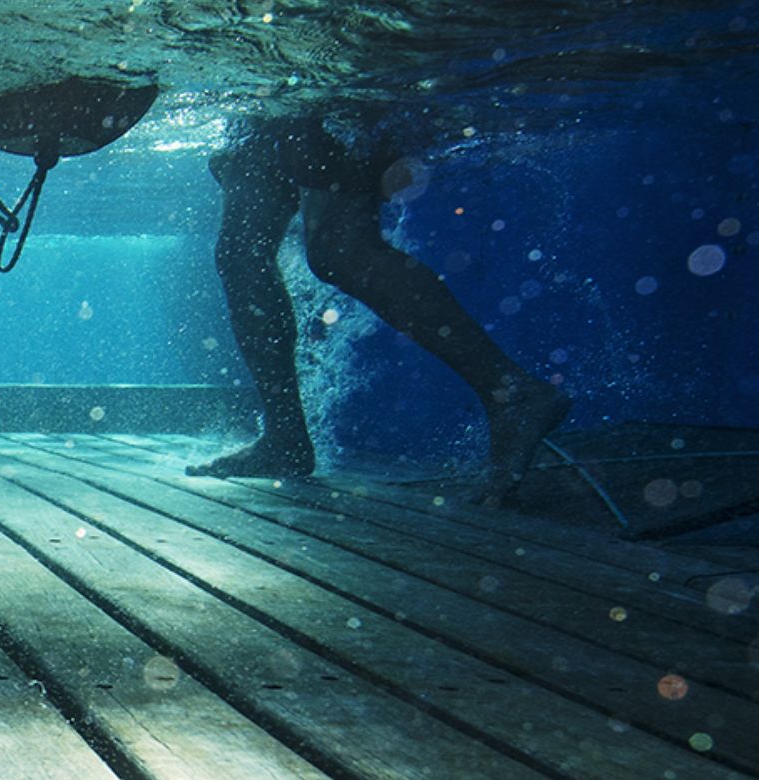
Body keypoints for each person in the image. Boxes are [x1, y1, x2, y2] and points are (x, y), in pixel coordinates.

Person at [192, 110, 570, 500]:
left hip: (318, 86)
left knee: (339, 252)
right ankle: (284, 435)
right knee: (242, 252)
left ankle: (511, 391)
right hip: (264, 103)